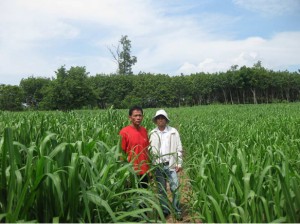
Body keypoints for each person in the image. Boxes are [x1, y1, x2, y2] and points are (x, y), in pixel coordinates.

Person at [149, 109, 183, 221]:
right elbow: (149, 150)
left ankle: (177, 210)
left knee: (175, 189)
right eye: (158, 118)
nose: (160, 120)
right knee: (161, 189)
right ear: (156, 120)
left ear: (166, 120)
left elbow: (179, 148)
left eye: (162, 118)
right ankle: (165, 211)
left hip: (171, 164)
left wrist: (179, 163)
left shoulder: (173, 132)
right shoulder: (152, 133)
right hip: (158, 166)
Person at [119, 105, 150, 188]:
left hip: (144, 172)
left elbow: (147, 151)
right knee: (131, 197)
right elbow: (121, 154)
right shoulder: (124, 132)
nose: (138, 118)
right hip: (131, 171)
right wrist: (124, 172)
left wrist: (149, 169)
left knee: (143, 196)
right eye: (135, 115)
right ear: (130, 117)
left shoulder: (144, 130)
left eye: (140, 115)